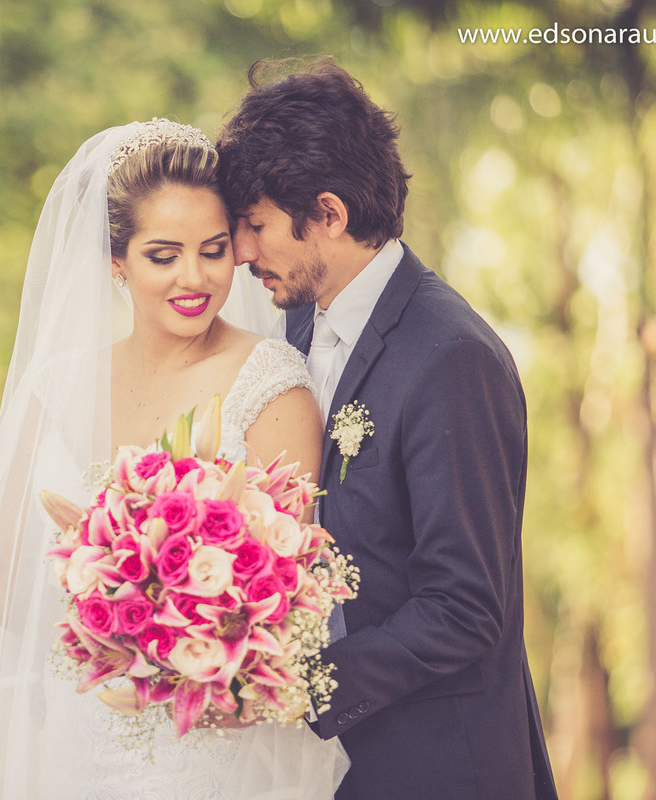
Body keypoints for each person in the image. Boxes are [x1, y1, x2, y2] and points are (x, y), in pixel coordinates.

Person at [0, 118, 349, 798]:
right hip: (75, 734)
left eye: (213, 251)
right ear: (115, 261)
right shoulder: (56, 386)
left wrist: (180, 634)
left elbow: (290, 596)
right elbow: (5, 588)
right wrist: (117, 616)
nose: (194, 277)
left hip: (212, 748)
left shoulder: (271, 383)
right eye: (163, 256)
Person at [217, 58, 559, 799]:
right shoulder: (294, 327)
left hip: (438, 767)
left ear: (329, 214)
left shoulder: (453, 357)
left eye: (257, 226)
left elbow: (464, 608)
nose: (242, 253)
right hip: (329, 772)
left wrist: (296, 684)